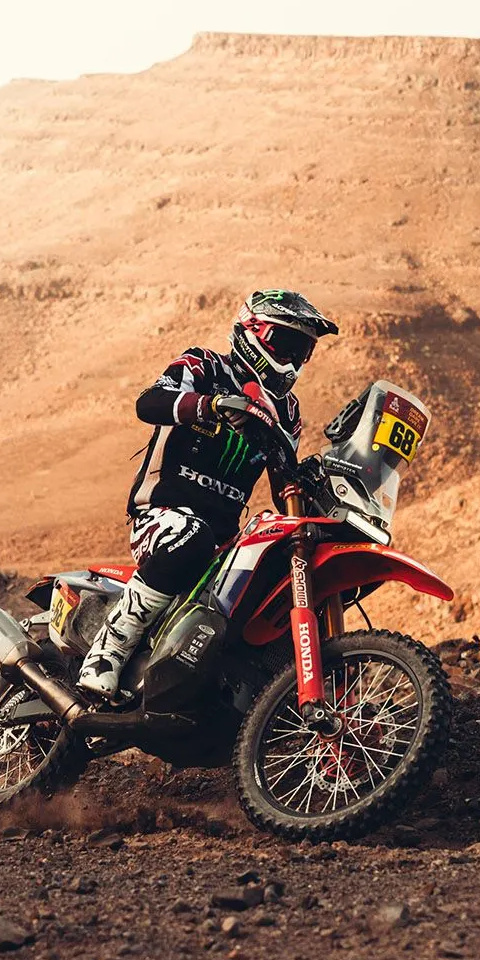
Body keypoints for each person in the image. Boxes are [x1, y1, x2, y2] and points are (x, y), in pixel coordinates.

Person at [76, 289, 339, 698]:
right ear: (251, 331)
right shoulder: (205, 365)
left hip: (224, 541)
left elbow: (282, 484)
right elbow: (149, 403)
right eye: (285, 343)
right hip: (161, 515)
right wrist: (211, 405)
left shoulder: (287, 411)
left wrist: (308, 481)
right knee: (190, 536)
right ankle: (108, 649)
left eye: (302, 351)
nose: (291, 359)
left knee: (274, 575)